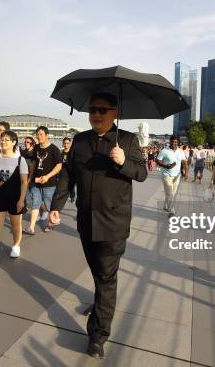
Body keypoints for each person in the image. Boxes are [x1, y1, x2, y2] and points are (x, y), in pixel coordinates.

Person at [48, 92, 147, 359]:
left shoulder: (127, 140)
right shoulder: (80, 140)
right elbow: (68, 174)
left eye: (103, 110)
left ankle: (98, 336)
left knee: (106, 277)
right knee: (98, 272)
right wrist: (56, 207)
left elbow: (142, 173)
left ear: (114, 113)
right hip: (86, 220)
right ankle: (100, 301)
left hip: (114, 222)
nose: (96, 114)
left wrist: (123, 161)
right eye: (92, 109)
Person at [0, 130, 28, 263]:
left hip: (15, 197)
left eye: (7, 140)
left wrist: (21, 200)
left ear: (14, 142)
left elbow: (24, 182)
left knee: (15, 224)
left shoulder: (20, 160)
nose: (3, 142)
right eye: (2, 139)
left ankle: (16, 245)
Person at [23, 126, 62, 235]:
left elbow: (59, 166)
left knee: (49, 204)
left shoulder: (54, 149)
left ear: (47, 135)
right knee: (35, 203)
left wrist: (47, 177)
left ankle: (51, 223)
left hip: (49, 183)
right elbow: (34, 163)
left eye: (41, 134)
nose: (38, 136)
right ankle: (31, 227)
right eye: (37, 134)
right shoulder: (36, 148)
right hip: (36, 181)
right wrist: (31, 176)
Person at [156, 135, 185, 217]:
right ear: (170, 142)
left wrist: (186, 173)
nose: (174, 143)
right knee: (169, 194)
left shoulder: (181, 151)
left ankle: (165, 206)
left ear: (178, 143)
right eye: (172, 141)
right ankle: (171, 210)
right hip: (166, 175)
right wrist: (166, 166)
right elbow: (157, 160)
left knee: (172, 193)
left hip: (177, 176)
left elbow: (184, 162)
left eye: (175, 142)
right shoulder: (164, 151)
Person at [61, 137, 76, 203]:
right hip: (62, 173)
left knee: (71, 187)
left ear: (70, 144)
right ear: (63, 144)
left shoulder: (73, 153)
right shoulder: (60, 153)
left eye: (67, 143)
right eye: (65, 143)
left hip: (71, 173)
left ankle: (72, 196)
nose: (66, 145)